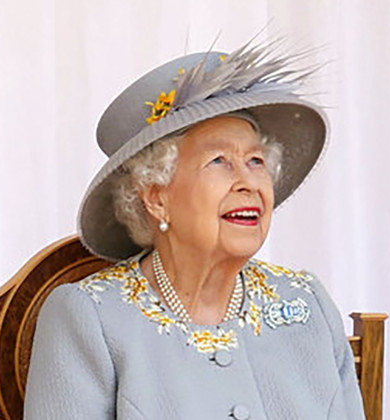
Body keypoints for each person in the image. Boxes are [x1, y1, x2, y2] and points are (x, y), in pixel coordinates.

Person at [24, 40, 366, 419]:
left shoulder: (307, 303)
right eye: (219, 161)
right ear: (157, 198)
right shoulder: (90, 317)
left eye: (255, 160)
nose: (248, 182)